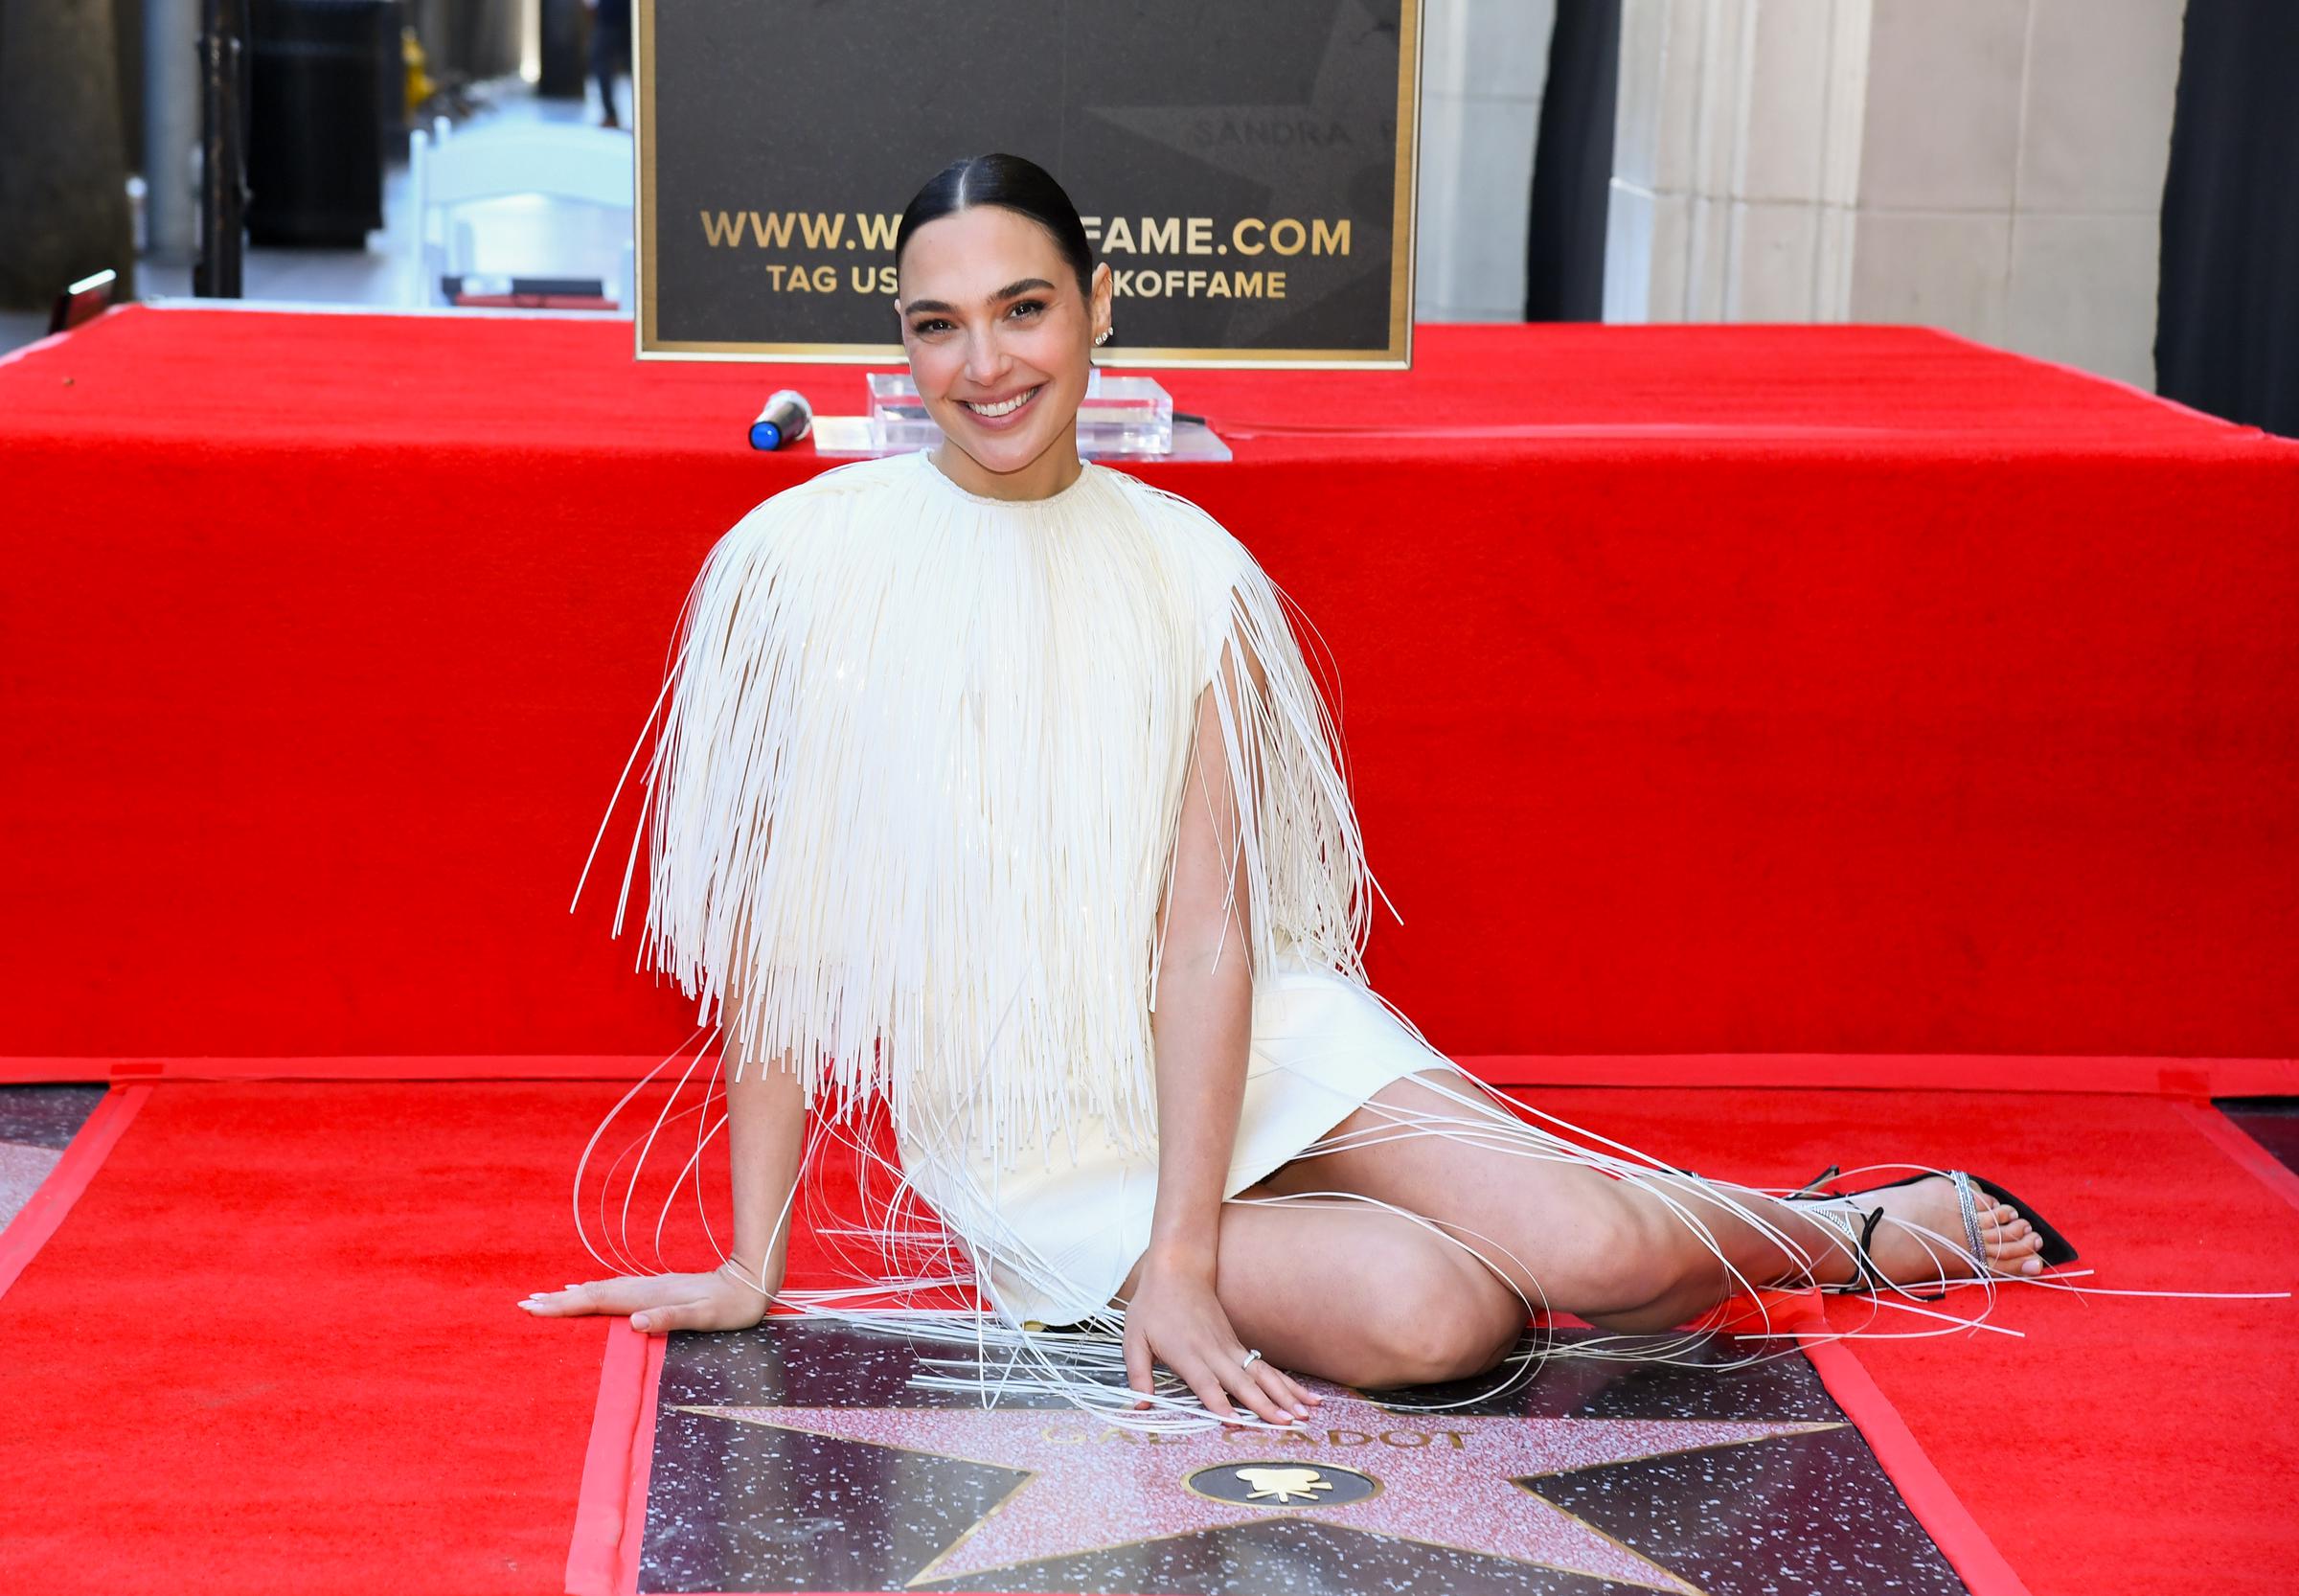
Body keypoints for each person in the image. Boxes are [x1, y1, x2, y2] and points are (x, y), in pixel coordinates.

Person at [521, 152, 2070, 1432]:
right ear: (900, 346)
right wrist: (749, 1261)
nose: (984, 365)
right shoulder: (797, 566)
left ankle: (1843, 1229)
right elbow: (786, 957)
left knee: (1597, 1244)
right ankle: (1610, 1227)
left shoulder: (1192, 570)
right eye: (939, 327)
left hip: (1259, 1046)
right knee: (1438, 1312)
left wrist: (1189, 1257)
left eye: (1023, 311)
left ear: (1097, 311)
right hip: (1046, 1141)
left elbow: (1209, 945)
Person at [582, 0, 631, 130]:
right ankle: (611, 115)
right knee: (605, 65)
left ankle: (611, 116)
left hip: (614, 17)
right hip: (621, 16)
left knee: (602, 63)